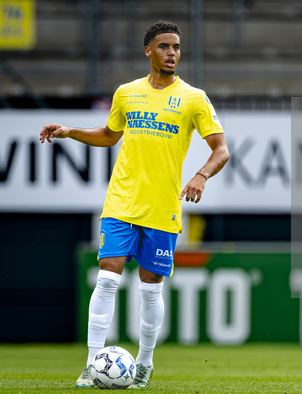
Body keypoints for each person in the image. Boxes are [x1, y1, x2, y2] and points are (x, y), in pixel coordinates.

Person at [39, 20, 229, 389]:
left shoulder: (194, 98)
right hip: (122, 201)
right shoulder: (127, 93)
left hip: (162, 207)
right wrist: (70, 131)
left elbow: (220, 150)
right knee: (108, 275)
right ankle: (93, 363)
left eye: (176, 47)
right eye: (164, 46)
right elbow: (110, 135)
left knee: (149, 288)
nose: (171, 52)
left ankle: (144, 363)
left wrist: (201, 175)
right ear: (148, 51)